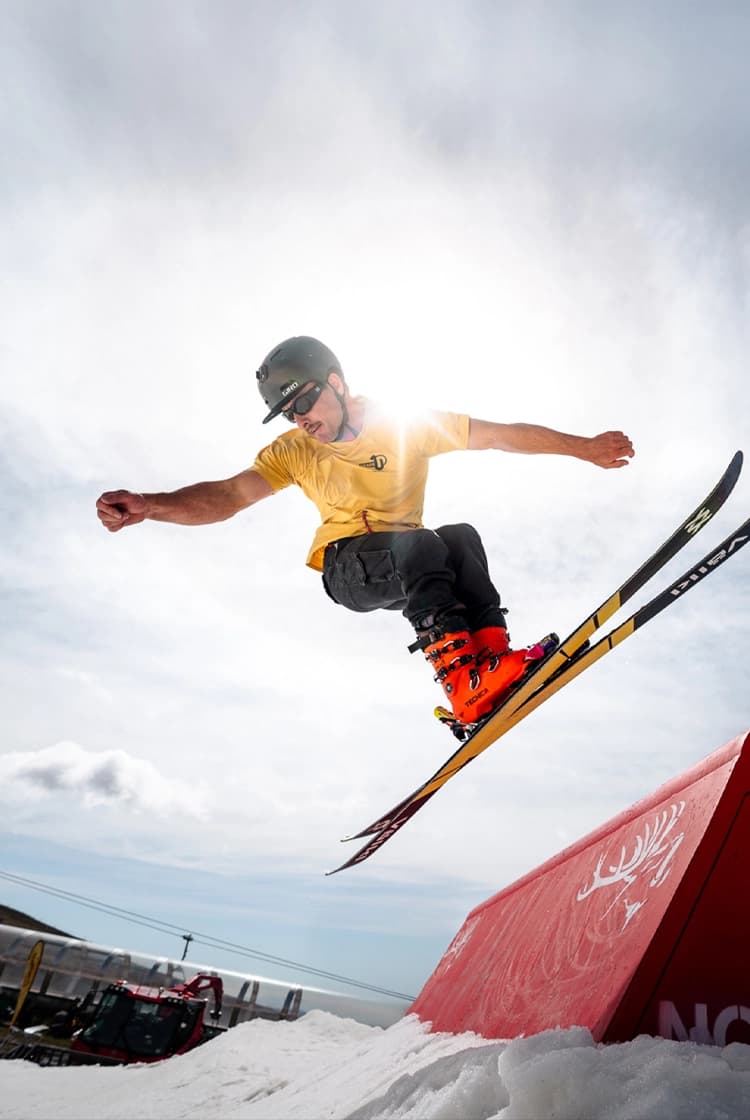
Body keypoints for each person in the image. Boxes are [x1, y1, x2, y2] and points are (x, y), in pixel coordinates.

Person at [96, 336, 634, 726]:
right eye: (286, 413)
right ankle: (463, 684)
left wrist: (582, 448)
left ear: (336, 382)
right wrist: (152, 506)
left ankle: (492, 661)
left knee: (460, 538)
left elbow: (500, 435)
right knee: (421, 543)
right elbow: (229, 496)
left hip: (409, 561)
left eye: (303, 402)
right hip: (347, 569)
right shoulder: (294, 452)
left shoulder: (405, 424)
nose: (299, 419)